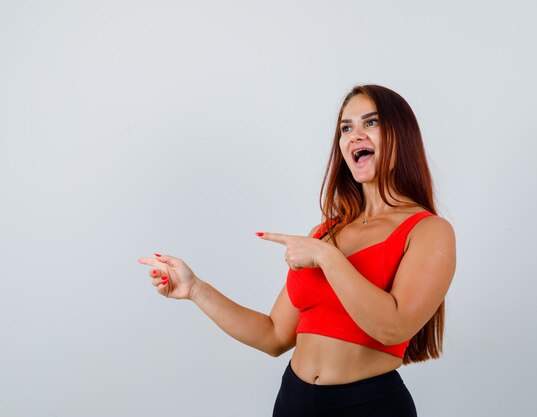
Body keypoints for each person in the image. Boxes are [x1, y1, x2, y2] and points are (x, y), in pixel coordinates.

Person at [137, 84, 456, 416]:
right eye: (346, 128)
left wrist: (326, 257)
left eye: (370, 123)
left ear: (401, 135)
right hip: (293, 400)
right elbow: (274, 335)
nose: (354, 136)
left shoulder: (429, 230)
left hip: (369, 405)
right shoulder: (326, 232)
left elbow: (394, 327)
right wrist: (195, 289)